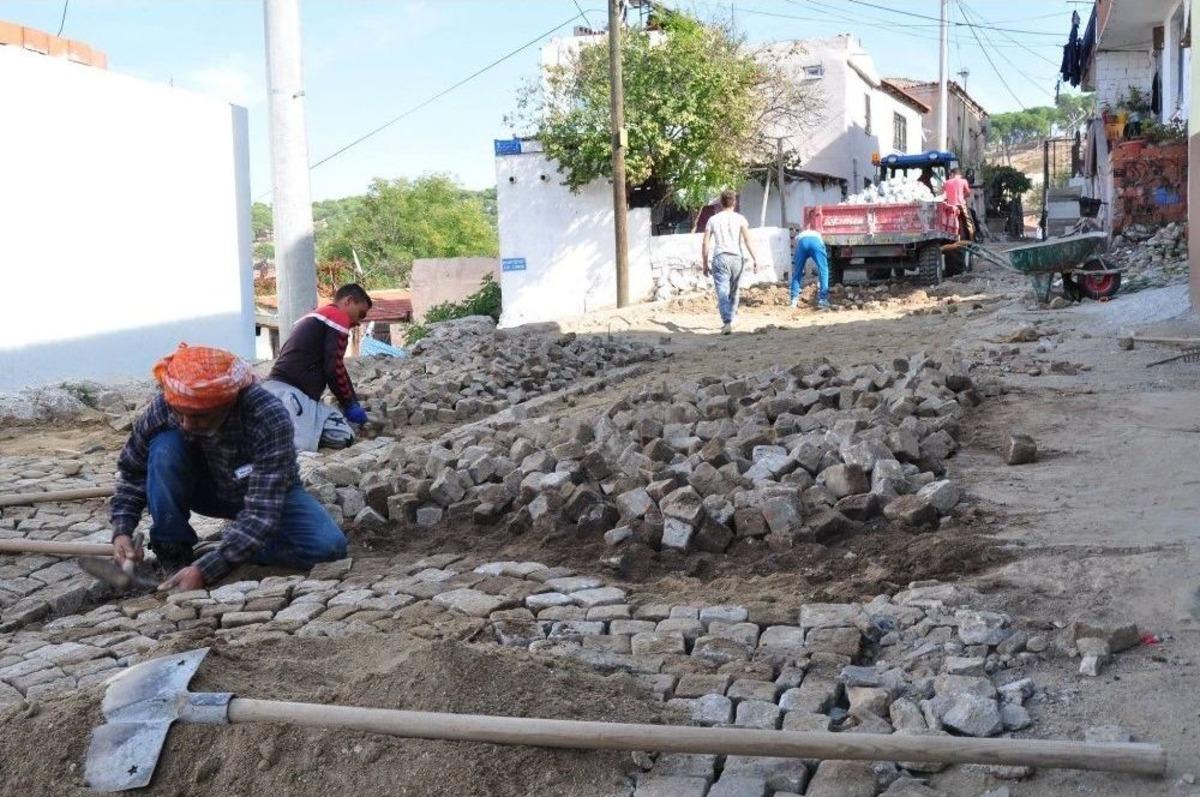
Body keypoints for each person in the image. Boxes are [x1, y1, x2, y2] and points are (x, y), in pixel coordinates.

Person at [109, 344, 347, 592]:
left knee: (328, 547)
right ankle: (173, 553)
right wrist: (122, 530)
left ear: (229, 403)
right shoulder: (166, 405)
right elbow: (132, 472)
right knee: (165, 448)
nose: (187, 424)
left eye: (200, 416)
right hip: (204, 490)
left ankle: (223, 551)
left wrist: (208, 568)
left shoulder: (267, 415)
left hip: (262, 493)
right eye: (181, 414)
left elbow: (261, 512)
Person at [263, 283, 373, 452]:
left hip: (289, 394)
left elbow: (337, 367)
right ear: (348, 301)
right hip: (290, 394)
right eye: (361, 314)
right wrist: (349, 405)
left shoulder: (316, 316)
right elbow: (333, 369)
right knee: (300, 447)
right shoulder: (337, 317)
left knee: (343, 435)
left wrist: (352, 403)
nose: (358, 322)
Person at [701, 189, 760, 335]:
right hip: (737, 258)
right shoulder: (740, 219)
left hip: (720, 257)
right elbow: (747, 240)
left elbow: (705, 243)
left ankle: (727, 321)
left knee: (722, 290)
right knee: (734, 291)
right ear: (734, 202)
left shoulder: (713, 220)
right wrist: (755, 259)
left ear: (721, 203)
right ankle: (732, 318)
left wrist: (704, 262)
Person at [791, 221, 830, 310]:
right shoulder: (818, 234)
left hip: (802, 243)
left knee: (797, 271)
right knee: (823, 270)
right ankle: (823, 300)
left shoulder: (800, 235)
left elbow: (795, 246)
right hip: (816, 243)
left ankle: (794, 300)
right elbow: (822, 247)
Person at [943, 167, 975, 241]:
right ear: (958, 174)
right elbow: (968, 193)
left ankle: (949, 240)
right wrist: (962, 196)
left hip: (951, 207)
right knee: (969, 223)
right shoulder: (963, 181)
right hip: (961, 205)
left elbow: (944, 195)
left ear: (952, 174)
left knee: (948, 224)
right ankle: (971, 240)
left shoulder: (946, 183)